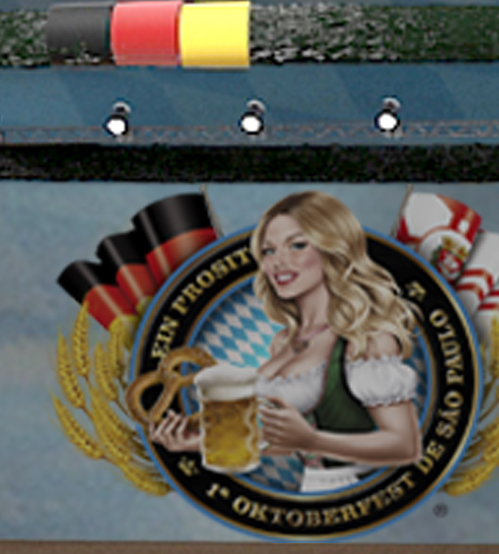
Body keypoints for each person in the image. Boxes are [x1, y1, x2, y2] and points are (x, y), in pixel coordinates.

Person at [148, 190, 423, 492]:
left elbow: (405, 446)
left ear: (333, 249)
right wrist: (198, 443)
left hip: (357, 490)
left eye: (297, 245)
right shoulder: (283, 342)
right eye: (269, 251)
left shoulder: (365, 337)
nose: (278, 262)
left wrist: (313, 440)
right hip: (312, 486)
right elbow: (284, 441)